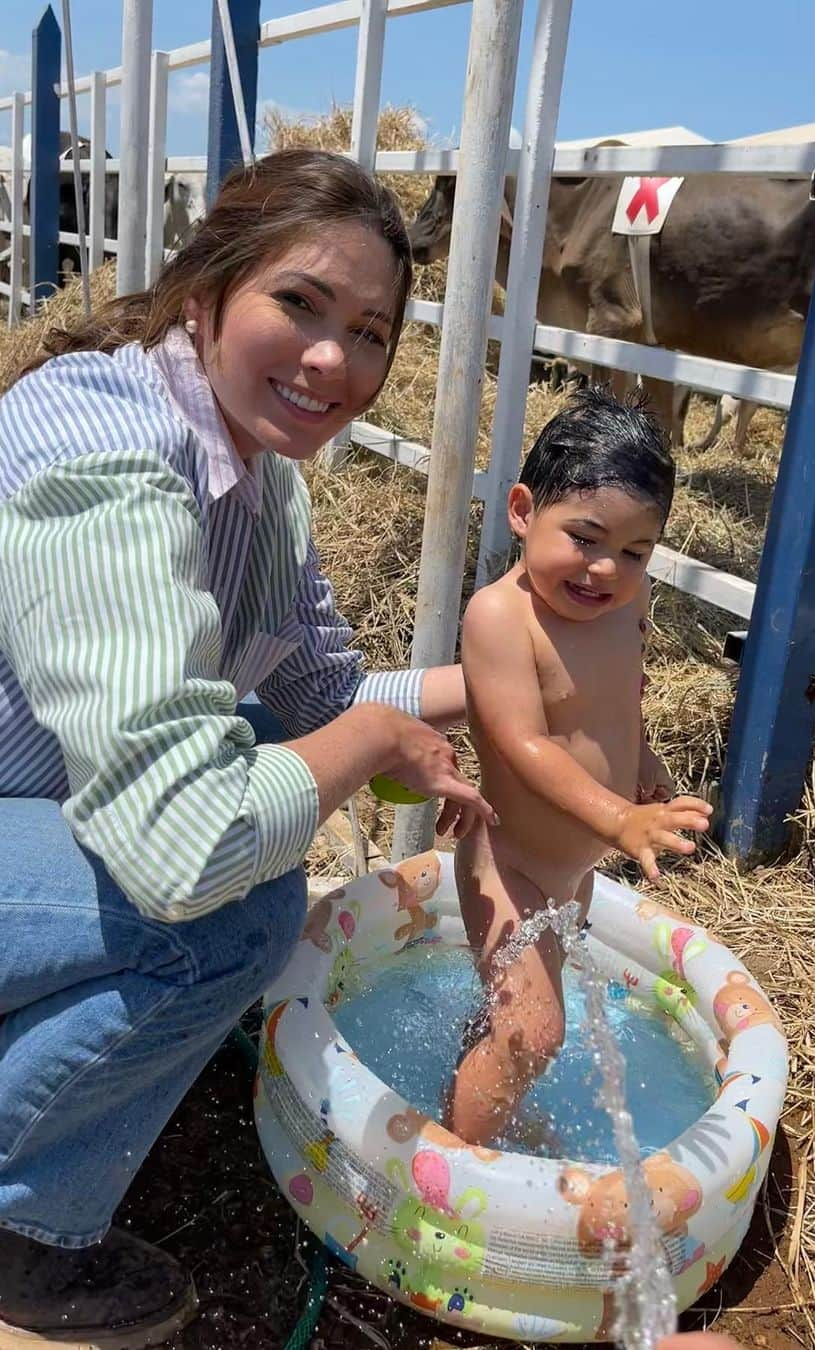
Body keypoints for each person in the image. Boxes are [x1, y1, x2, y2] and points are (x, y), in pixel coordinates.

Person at [0, 148, 494, 1349]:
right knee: (230, 911)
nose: (337, 360)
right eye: (302, 305)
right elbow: (184, 845)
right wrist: (370, 741)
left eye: (371, 331)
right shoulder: (101, 453)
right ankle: (23, 1230)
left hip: (34, 796)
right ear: (206, 290)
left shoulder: (257, 470)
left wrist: (509, 682)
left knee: (272, 746)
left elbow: (320, 683)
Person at [447, 388, 714, 1146]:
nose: (606, 568)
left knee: (517, 1024)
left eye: (635, 551)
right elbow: (523, 744)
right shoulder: (500, 618)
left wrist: (645, 762)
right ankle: (452, 1175)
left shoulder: (627, 605)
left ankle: (474, 1089)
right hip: (510, 867)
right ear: (524, 511)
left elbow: (615, 700)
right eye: (586, 538)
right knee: (536, 1030)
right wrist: (620, 818)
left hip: (573, 871)